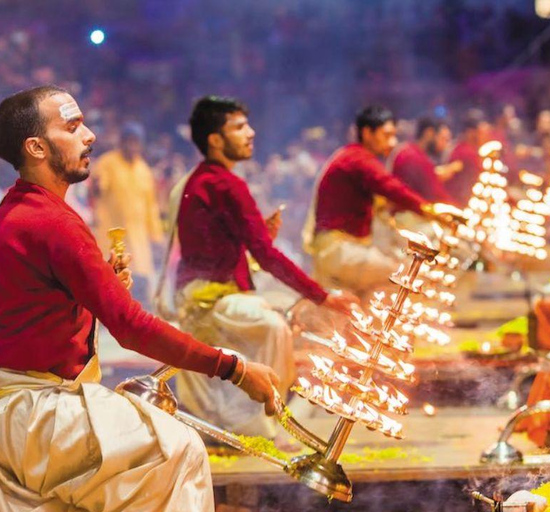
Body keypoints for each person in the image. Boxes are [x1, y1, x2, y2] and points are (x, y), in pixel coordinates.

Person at [0, 85, 279, 511]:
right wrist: (234, 368)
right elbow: (131, 328)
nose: (90, 135)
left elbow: (31, 306)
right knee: (179, 449)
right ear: (36, 147)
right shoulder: (50, 222)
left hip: (21, 405)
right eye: (73, 127)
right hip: (33, 410)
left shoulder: (21, 210)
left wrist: (97, 284)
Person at [168, 96, 358, 439]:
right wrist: (323, 297)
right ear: (215, 139)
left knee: (281, 316)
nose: (251, 133)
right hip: (207, 300)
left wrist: (254, 241)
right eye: (239, 127)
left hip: (210, 293)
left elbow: (224, 249)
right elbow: (267, 257)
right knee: (274, 326)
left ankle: (258, 415)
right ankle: (258, 424)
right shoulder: (224, 184)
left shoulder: (206, 180)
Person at [303, 105, 440, 297]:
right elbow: (392, 188)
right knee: (402, 276)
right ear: (367, 133)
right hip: (340, 252)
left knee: (383, 285)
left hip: (343, 250)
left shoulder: (354, 156)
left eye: (394, 135)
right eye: (386, 135)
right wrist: (431, 211)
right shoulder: (358, 160)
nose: (392, 143)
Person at [91, 121, 164, 306]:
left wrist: (156, 236)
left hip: (139, 238)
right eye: (128, 141)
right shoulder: (107, 163)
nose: (132, 146)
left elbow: (151, 206)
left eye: (136, 142)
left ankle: (138, 320)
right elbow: (99, 189)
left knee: (139, 279)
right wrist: (97, 186)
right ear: (121, 142)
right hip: (112, 235)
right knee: (112, 279)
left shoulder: (144, 170)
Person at [444, 108, 492, 206]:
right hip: (461, 205)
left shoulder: (465, 149)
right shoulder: (466, 153)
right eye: (481, 132)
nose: (485, 136)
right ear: (471, 132)